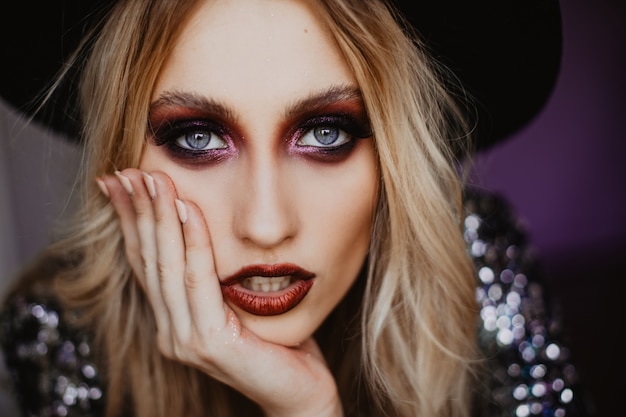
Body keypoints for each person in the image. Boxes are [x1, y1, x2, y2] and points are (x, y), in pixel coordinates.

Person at [0, 0, 591, 416]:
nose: (265, 224)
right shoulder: (58, 327)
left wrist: (306, 409)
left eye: (326, 133)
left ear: (392, 152)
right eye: (198, 138)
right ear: (118, 156)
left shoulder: (477, 256)